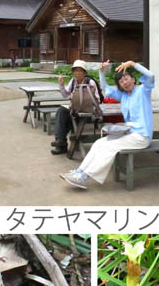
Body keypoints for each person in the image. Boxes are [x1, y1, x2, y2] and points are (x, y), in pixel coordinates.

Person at [60, 59, 153, 189]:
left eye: (126, 79)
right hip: (130, 134)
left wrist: (132, 64)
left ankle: (84, 177)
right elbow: (105, 88)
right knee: (100, 143)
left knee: (110, 147)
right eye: (121, 82)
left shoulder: (143, 91)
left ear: (133, 79)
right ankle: (80, 171)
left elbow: (151, 76)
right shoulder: (124, 96)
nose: (124, 83)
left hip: (141, 137)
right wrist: (101, 72)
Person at [51, 60, 102, 155]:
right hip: (74, 110)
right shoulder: (73, 81)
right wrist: (61, 85)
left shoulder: (90, 82)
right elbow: (65, 95)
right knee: (61, 112)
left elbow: (98, 99)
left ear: (84, 72)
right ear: (73, 72)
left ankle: (61, 145)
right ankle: (61, 142)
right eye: (75, 70)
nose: (77, 73)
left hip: (87, 112)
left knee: (66, 121)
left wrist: (86, 103)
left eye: (80, 70)